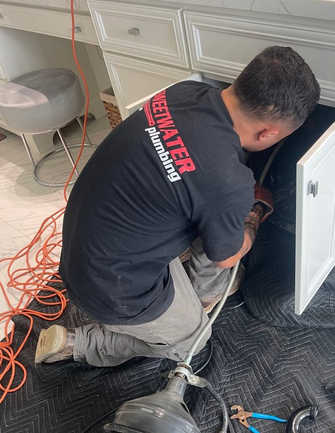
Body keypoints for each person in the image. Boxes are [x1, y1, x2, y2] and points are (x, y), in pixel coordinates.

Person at [35, 46, 320, 367]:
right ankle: (81, 343)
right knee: (194, 342)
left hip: (82, 250)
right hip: (114, 293)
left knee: (211, 218)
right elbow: (227, 258)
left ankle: (202, 293)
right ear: (269, 133)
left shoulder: (186, 92)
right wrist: (253, 215)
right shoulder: (227, 182)